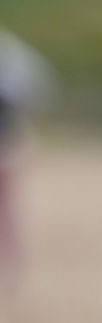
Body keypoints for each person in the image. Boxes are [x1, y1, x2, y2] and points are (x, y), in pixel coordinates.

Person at [0, 30, 55, 285]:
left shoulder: (11, 55)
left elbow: (38, 92)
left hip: (6, 142)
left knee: (7, 210)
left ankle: (11, 270)